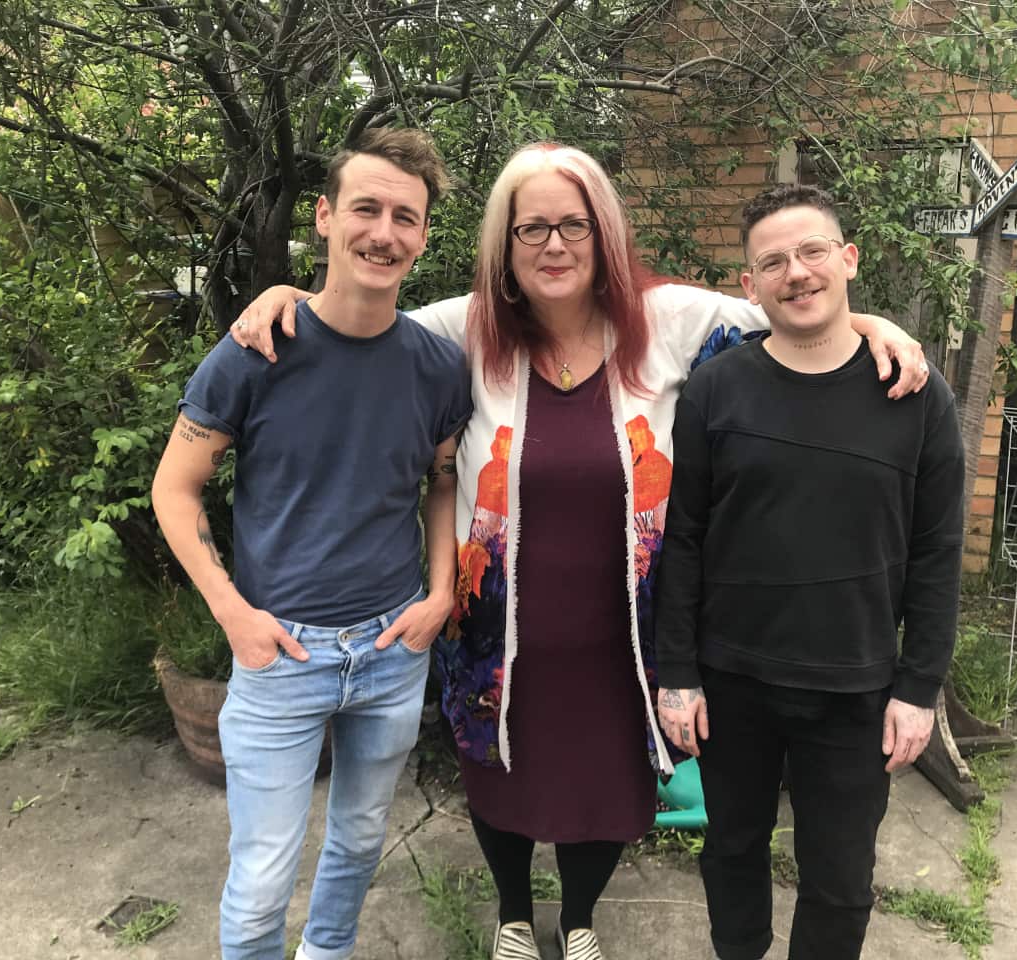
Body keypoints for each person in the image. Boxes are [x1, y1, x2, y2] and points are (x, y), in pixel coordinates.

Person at [231, 143, 930, 960]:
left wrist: (876, 322)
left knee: (606, 788)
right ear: (505, 242)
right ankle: (515, 917)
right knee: (501, 778)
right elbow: (352, 323)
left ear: (603, 236)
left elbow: (795, 313)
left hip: (625, 635)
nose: (554, 245)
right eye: (532, 229)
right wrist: (285, 294)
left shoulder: (664, 321)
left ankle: (583, 917)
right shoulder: (461, 331)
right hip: (495, 639)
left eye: (574, 226)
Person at [150, 129, 471, 960]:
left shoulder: (438, 368)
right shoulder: (256, 349)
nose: (384, 231)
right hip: (279, 653)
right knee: (260, 880)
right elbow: (173, 489)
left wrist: (440, 594)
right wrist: (232, 615)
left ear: (425, 236)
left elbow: (441, 485)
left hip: (395, 647)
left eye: (406, 216)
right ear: (325, 217)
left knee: (362, 843)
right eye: (365, 208)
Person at [654, 183, 965, 960]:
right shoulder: (717, 389)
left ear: (848, 259)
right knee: (730, 851)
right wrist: (677, 673)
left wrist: (919, 688)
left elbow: (937, 552)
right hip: (732, 681)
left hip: (858, 689)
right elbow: (684, 538)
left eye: (812, 252)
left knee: (841, 882)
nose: (797, 272)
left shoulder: (915, 396)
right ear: (748, 285)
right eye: (774, 262)